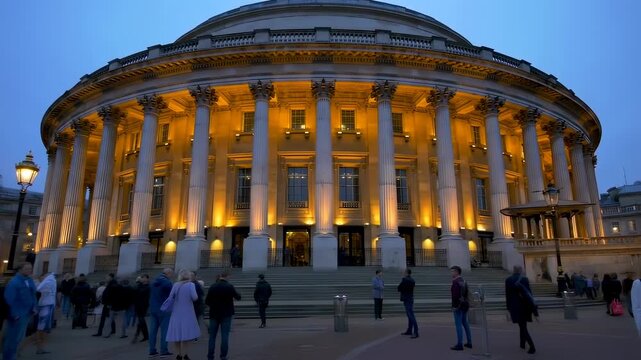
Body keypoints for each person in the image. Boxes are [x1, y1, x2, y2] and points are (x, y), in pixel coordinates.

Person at [3, 262, 37, 360]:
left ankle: (13, 355)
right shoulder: (14, 282)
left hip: (27, 313)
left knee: (19, 338)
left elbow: (33, 294)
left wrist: (35, 306)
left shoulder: (30, 280)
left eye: (30, 269)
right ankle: (8, 357)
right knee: (12, 339)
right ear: (20, 270)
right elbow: (9, 299)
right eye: (27, 269)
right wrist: (13, 314)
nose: (29, 271)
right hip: (17, 314)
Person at [206, 271, 241, 360]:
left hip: (214, 313)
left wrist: (213, 305)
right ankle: (223, 356)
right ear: (227, 276)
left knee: (212, 336)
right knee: (225, 335)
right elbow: (238, 297)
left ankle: (210, 356)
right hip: (226, 313)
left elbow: (207, 301)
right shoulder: (229, 286)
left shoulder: (213, 286)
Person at [166, 269, 200, 360]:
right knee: (185, 335)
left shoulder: (175, 285)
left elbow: (170, 297)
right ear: (188, 275)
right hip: (187, 312)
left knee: (177, 334)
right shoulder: (191, 285)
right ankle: (185, 354)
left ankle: (178, 354)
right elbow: (195, 297)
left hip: (176, 312)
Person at [505, 265, 537, 354]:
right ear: (520, 271)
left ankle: (532, 346)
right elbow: (529, 293)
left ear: (513, 270)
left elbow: (507, 295)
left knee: (522, 326)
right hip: (525, 306)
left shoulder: (508, 280)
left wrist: (508, 308)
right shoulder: (525, 279)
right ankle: (522, 343)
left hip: (515, 306)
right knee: (523, 325)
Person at [149, 268, 174, 357]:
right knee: (165, 331)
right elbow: (172, 294)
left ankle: (152, 351)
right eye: (171, 274)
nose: (172, 276)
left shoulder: (154, 281)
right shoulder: (167, 282)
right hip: (164, 310)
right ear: (168, 273)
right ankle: (163, 350)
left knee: (152, 331)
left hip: (153, 309)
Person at [450, 265, 472, 351]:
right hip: (464, 304)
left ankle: (460, 344)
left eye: (452, 271)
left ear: (456, 272)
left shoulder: (455, 282)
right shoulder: (463, 280)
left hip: (458, 305)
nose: (451, 273)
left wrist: (455, 307)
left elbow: (455, 296)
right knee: (465, 323)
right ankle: (469, 342)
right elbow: (466, 293)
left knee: (458, 324)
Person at [35, 272, 56, 354]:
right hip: (45, 306)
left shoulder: (48, 283)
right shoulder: (46, 283)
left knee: (42, 329)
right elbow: (39, 289)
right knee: (41, 329)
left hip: (45, 305)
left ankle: (40, 347)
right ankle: (39, 347)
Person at [397, 269, 418, 338]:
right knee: (410, 315)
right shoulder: (412, 280)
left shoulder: (405, 280)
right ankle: (409, 330)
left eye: (404, 272)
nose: (403, 273)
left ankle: (416, 332)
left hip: (406, 298)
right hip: (410, 298)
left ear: (406, 273)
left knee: (411, 315)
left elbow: (399, 288)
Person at [132, 274, 150, 343]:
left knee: (141, 321)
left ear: (147, 279)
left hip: (144, 306)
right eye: (142, 278)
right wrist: (138, 283)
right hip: (138, 305)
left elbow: (142, 292)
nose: (142, 279)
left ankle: (137, 335)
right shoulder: (140, 285)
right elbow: (134, 291)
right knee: (141, 321)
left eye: (144, 278)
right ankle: (145, 335)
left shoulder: (148, 287)